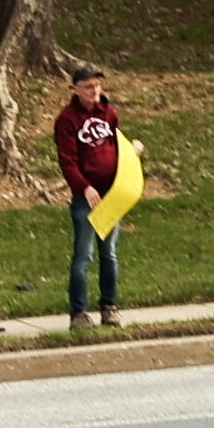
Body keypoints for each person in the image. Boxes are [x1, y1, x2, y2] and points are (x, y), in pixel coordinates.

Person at [57, 64, 128, 327]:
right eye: (88, 86)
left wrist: (132, 151)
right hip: (86, 198)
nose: (94, 90)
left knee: (109, 254)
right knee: (84, 255)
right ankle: (78, 313)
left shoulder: (108, 112)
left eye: (97, 85)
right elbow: (67, 161)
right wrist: (84, 187)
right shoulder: (67, 120)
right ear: (75, 89)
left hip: (111, 195)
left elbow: (116, 145)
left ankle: (109, 307)